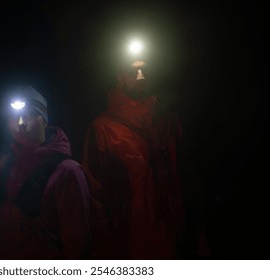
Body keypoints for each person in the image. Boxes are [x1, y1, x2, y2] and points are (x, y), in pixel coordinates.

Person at [82, 47, 210, 259]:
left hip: (179, 242)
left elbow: (191, 180)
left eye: (144, 69)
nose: (140, 75)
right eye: (132, 71)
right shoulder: (104, 128)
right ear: (119, 76)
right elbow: (95, 196)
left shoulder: (168, 121)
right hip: (134, 247)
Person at [0, 84, 91, 259]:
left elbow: (78, 243)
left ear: (44, 120)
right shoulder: (2, 169)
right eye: (13, 117)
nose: (20, 122)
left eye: (29, 115)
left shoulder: (67, 171)